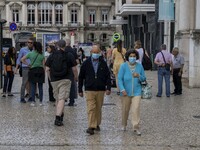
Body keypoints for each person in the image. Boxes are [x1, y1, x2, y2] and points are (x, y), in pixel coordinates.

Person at [78, 45, 111, 135]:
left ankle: (97, 123)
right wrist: (80, 89)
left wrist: (108, 87)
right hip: (89, 89)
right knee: (91, 108)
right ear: (91, 53)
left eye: (97, 52)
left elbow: (108, 76)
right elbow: (81, 77)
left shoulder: (103, 63)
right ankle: (91, 126)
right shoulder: (86, 63)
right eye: (94, 52)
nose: (95, 54)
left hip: (100, 89)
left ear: (99, 53)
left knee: (98, 108)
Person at [46, 40, 78, 126]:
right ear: (65, 46)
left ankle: (61, 116)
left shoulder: (51, 55)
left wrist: (50, 79)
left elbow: (47, 69)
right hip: (65, 79)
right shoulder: (69, 55)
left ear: (57, 46)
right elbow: (74, 68)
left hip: (54, 79)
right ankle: (57, 117)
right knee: (62, 98)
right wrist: (76, 77)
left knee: (58, 98)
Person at [118, 50, 146, 136]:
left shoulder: (140, 66)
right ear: (127, 57)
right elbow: (120, 79)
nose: (132, 58)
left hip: (137, 91)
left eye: (134, 56)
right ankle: (124, 124)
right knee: (125, 110)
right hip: (125, 92)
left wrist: (139, 76)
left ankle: (136, 127)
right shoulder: (123, 66)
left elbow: (143, 78)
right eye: (130, 56)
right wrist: (122, 89)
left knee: (136, 109)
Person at [21, 42, 45, 106]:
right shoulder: (42, 54)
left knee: (33, 87)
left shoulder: (30, 54)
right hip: (40, 71)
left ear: (34, 47)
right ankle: (41, 102)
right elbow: (43, 65)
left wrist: (28, 64)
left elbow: (22, 59)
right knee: (40, 87)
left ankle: (33, 102)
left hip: (33, 70)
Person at [15, 37, 34, 103]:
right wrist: (16, 68)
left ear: (33, 43)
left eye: (31, 43)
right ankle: (22, 98)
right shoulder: (23, 49)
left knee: (32, 83)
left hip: (32, 69)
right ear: (27, 43)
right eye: (28, 42)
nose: (30, 44)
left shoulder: (34, 50)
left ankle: (31, 97)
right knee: (24, 83)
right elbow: (19, 59)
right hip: (25, 68)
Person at [65, 39, 79, 106]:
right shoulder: (73, 50)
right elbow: (77, 62)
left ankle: (63, 99)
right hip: (70, 70)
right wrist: (76, 75)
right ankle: (71, 101)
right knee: (72, 86)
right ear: (70, 43)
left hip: (62, 71)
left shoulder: (61, 51)